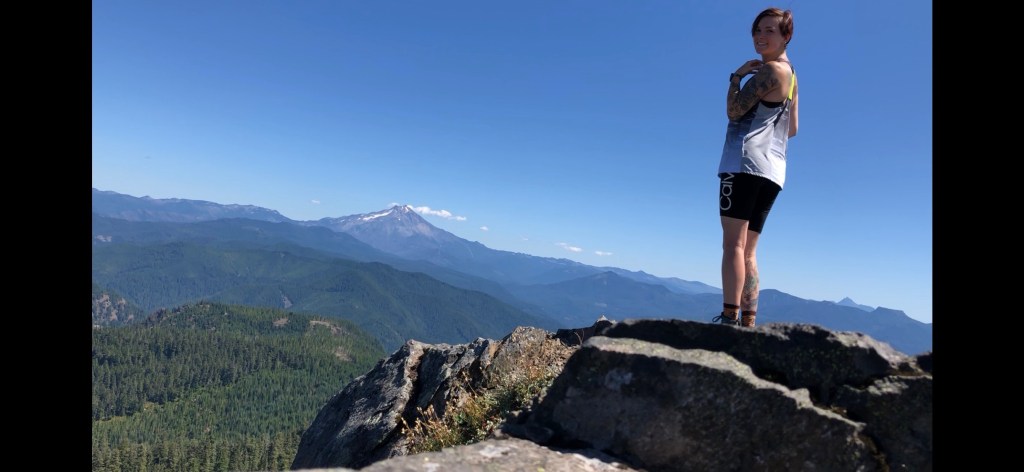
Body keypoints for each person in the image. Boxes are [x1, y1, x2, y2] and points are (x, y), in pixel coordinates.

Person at [712, 7, 798, 328]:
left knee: (732, 244)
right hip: (773, 171)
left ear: (786, 36)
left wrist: (736, 77)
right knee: (749, 250)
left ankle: (729, 318)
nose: (760, 36)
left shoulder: (770, 71)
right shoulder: (793, 78)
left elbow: (734, 111)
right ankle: (748, 324)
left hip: (743, 163)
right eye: (757, 30)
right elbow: (791, 128)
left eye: (770, 31)